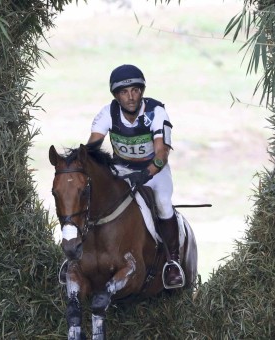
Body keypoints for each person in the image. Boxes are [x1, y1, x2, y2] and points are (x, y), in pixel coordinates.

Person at [59, 64, 184, 288]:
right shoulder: (107, 113)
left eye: (135, 91)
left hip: (153, 171)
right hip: (121, 169)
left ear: (142, 91)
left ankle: (172, 263)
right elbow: (93, 147)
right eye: (124, 93)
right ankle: (75, 259)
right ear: (116, 95)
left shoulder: (156, 112)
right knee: (91, 197)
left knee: (164, 203)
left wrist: (145, 174)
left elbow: (162, 154)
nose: (130, 97)